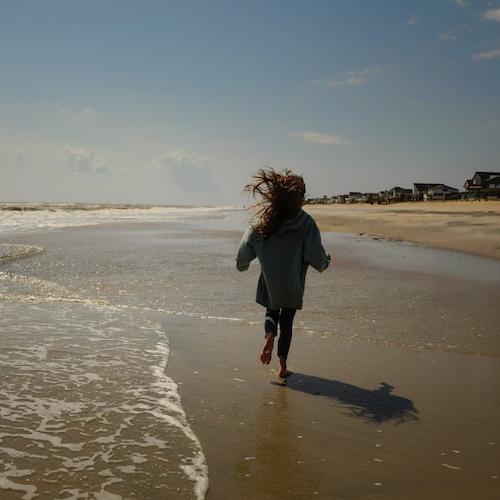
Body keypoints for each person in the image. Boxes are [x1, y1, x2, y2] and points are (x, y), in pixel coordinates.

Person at [236, 168, 331, 378]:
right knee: (287, 322)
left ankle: (269, 334)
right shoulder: (306, 223)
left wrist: (242, 265)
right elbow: (316, 256)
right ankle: (282, 366)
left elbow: (243, 254)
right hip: (292, 285)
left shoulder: (263, 223)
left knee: (271, 313)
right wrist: (324, 263)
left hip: (270, 285)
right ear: (299, 197)